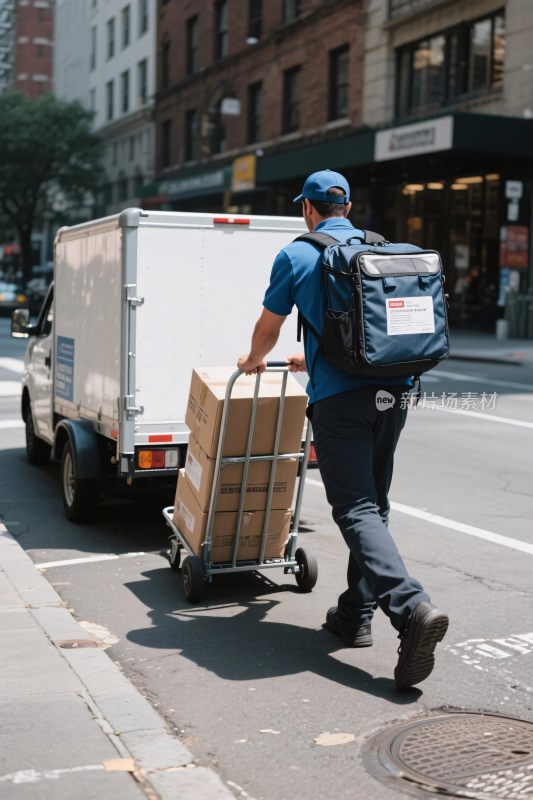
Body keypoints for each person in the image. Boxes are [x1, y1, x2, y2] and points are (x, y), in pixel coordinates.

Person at [237, 169, 448, 689]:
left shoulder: (298, 253)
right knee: (373, 503)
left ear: (307, 209)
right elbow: (361, 329)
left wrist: (253, 360)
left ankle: (410, 606)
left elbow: (269, 325)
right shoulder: (379, 249)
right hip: (394, 390)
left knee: (354, 508)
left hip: (340, 401)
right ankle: (354, 613)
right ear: (347, 208)